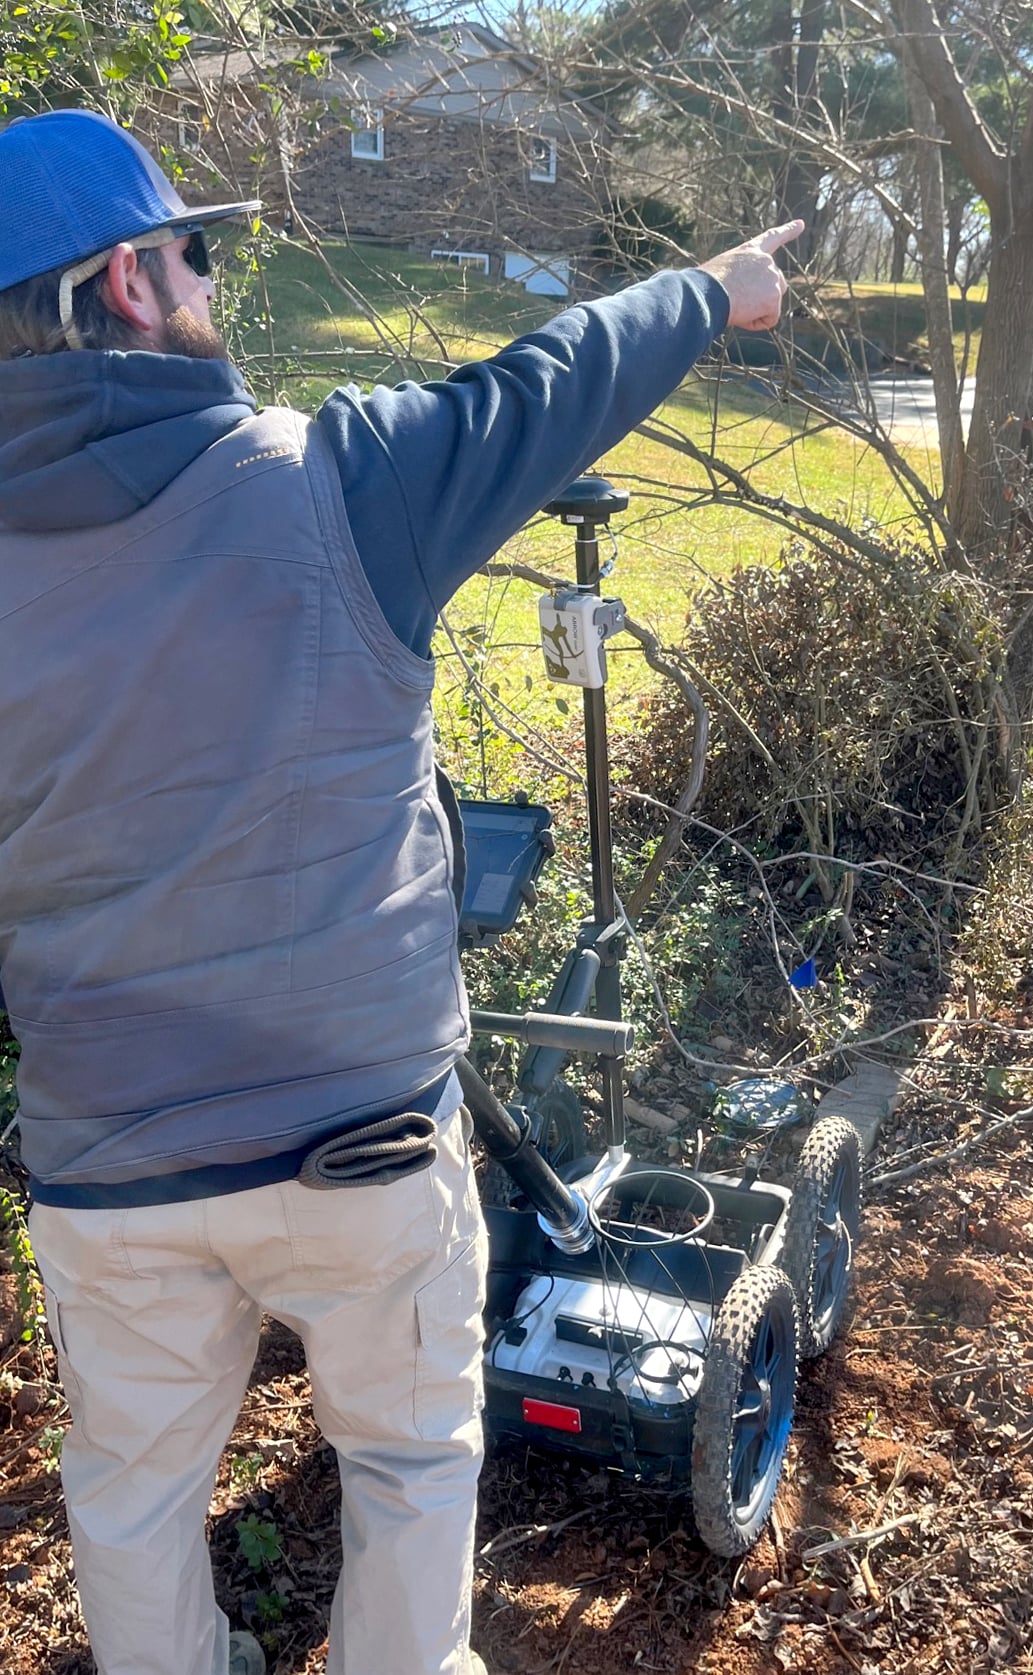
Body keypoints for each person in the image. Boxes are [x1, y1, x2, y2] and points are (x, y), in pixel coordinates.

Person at [0, 107, 800, 1675]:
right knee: (411, 1464)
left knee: (133, 1495)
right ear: (130, 287)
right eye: (194, 249)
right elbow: (550, 385)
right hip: (357, 1143)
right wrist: (716, 287)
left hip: (105, 1167)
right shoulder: (336, 483)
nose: (208, 276)